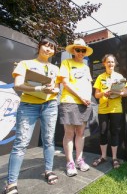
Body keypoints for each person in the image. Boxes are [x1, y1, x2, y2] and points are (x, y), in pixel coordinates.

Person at [3, 37, 60, 194]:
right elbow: (18, 84)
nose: (48, 50)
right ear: (39, 46)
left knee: (48, 140)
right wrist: (39, 89)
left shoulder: (55, 69)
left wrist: (54, 90)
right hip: (28, 106)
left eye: (52, 48)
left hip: (50, 105)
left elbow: (56, 88)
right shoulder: (25, 64)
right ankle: (11, 182)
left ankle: (48, 170)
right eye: (46, 46)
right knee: (21, 143)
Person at [58, 38, 93, 177]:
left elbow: (89, 83)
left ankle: (79, 159)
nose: (80, 52)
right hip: (70, 101)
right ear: (73, 50)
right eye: (78, 49)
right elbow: (65, 83)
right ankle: (70, 162)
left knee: (81, 133)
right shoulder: (66, 62)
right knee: (69, 133)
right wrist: (81, 97)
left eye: (83, 50)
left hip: (85, 103)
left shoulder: (86, 66)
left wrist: (88, 98)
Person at [92, 54, 127, 169]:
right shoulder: (100, 77)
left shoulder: (120, 76)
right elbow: (96, 94)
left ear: (115, 63)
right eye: (108, 62)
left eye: (112, 62)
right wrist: (104, 93)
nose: (110, 64)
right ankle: (103, 157)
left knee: (114, 133)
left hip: (116, 109)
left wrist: (116, 92)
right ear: (104, 63)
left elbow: (126, 93)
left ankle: (114, 158)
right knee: (103, 132)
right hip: (103, 109)